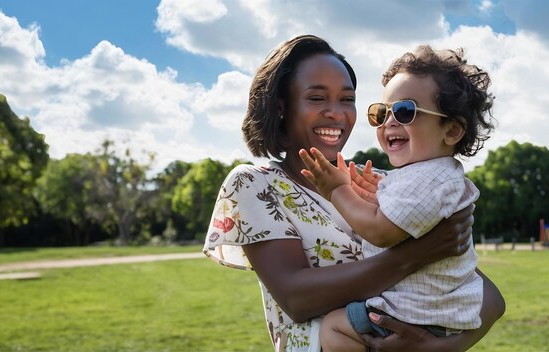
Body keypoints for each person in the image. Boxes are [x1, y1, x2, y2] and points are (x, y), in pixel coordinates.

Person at [203, 35, 505, 352]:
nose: (336, 112)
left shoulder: (389, 184)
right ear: (282, 107)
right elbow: (297, 298)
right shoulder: (256, 184)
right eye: (317, 98)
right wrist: (415, 255)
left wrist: (436, 347)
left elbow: (487, 296)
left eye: (347, 99)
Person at [299, 45, 495, 351]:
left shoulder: (427, 178)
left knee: (335, 327)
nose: (389, 121)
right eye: (381, 112)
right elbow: (403, 219)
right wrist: (379, 199)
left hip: (413, 313)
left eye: (405, 111)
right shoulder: (436, 174)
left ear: (452, 130)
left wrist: (338, 191)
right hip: (437, 314)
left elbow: (380, 231)